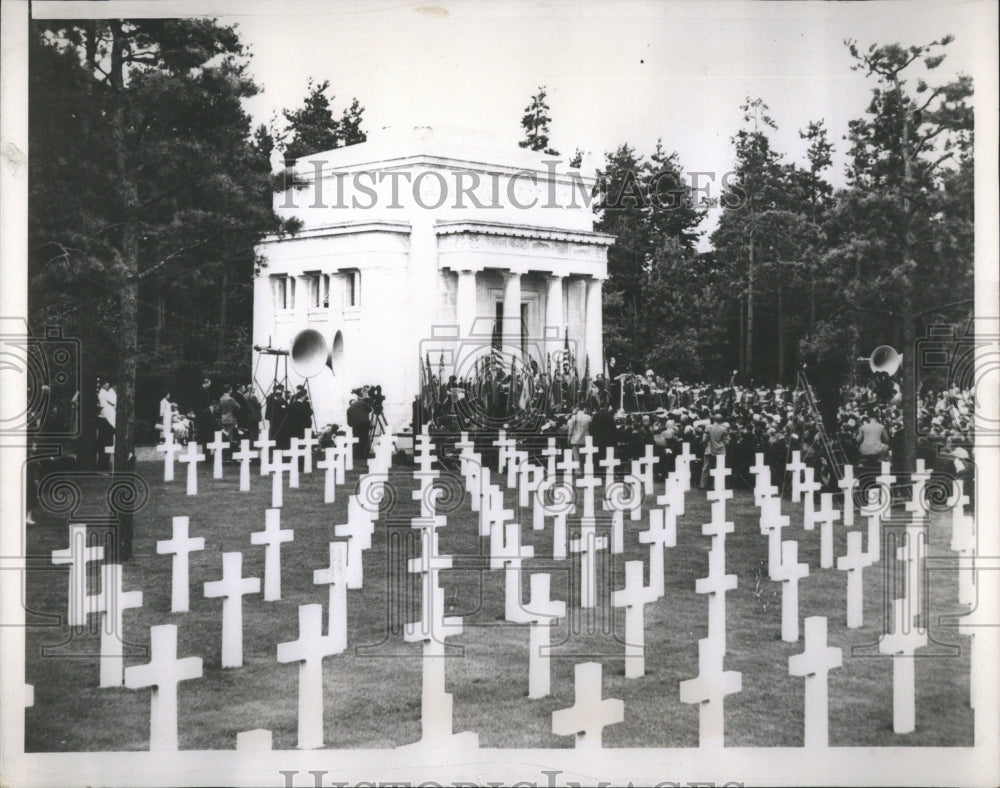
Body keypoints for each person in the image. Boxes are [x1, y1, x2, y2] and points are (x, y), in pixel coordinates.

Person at [699, 412, 729, 490]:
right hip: (720, 450)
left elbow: (704, 439)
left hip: (709, 448)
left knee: (706, 467)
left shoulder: (708, 427)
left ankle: (703, 484)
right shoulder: (724, 428)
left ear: (714, 419)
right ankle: (716, 485)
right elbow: (727, 442)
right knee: (719, 468)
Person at [97, 380, 116, 470]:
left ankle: (104, 467)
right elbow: (112, 403)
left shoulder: (105, 393)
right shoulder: (103, 393)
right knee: (106, 445)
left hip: (106, 420)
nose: (108, 385)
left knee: (105, 445)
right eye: (106, 384)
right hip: (106, 421)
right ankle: (103, 467)